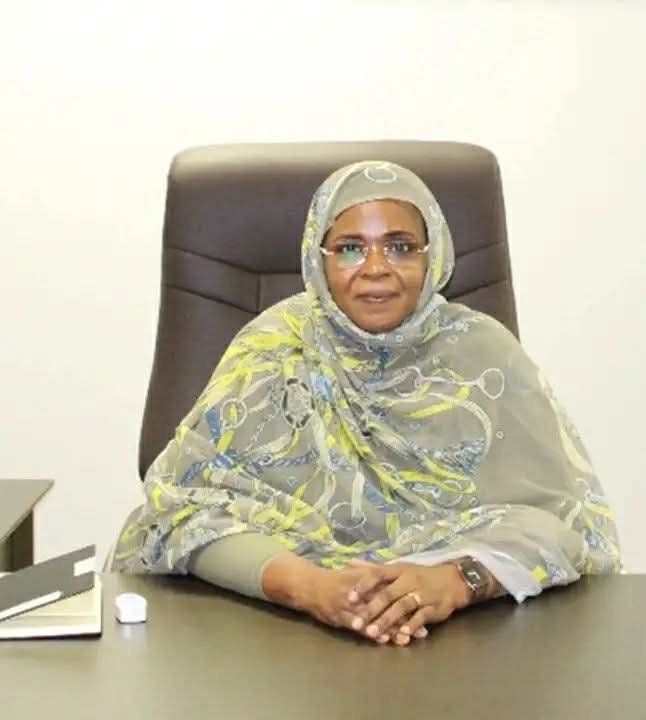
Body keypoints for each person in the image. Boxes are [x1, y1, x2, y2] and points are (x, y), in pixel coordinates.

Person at [112, 160, 620, 646]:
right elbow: (180, 514)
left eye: (400, 247)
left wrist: (455, 580)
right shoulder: (274, 347)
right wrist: (312, 589)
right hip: (277, 639)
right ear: (319, 259)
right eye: (351, 248)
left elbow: (564, 523)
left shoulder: (483, 353)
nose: (376, 268)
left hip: (464, 636)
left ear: (433, 256)